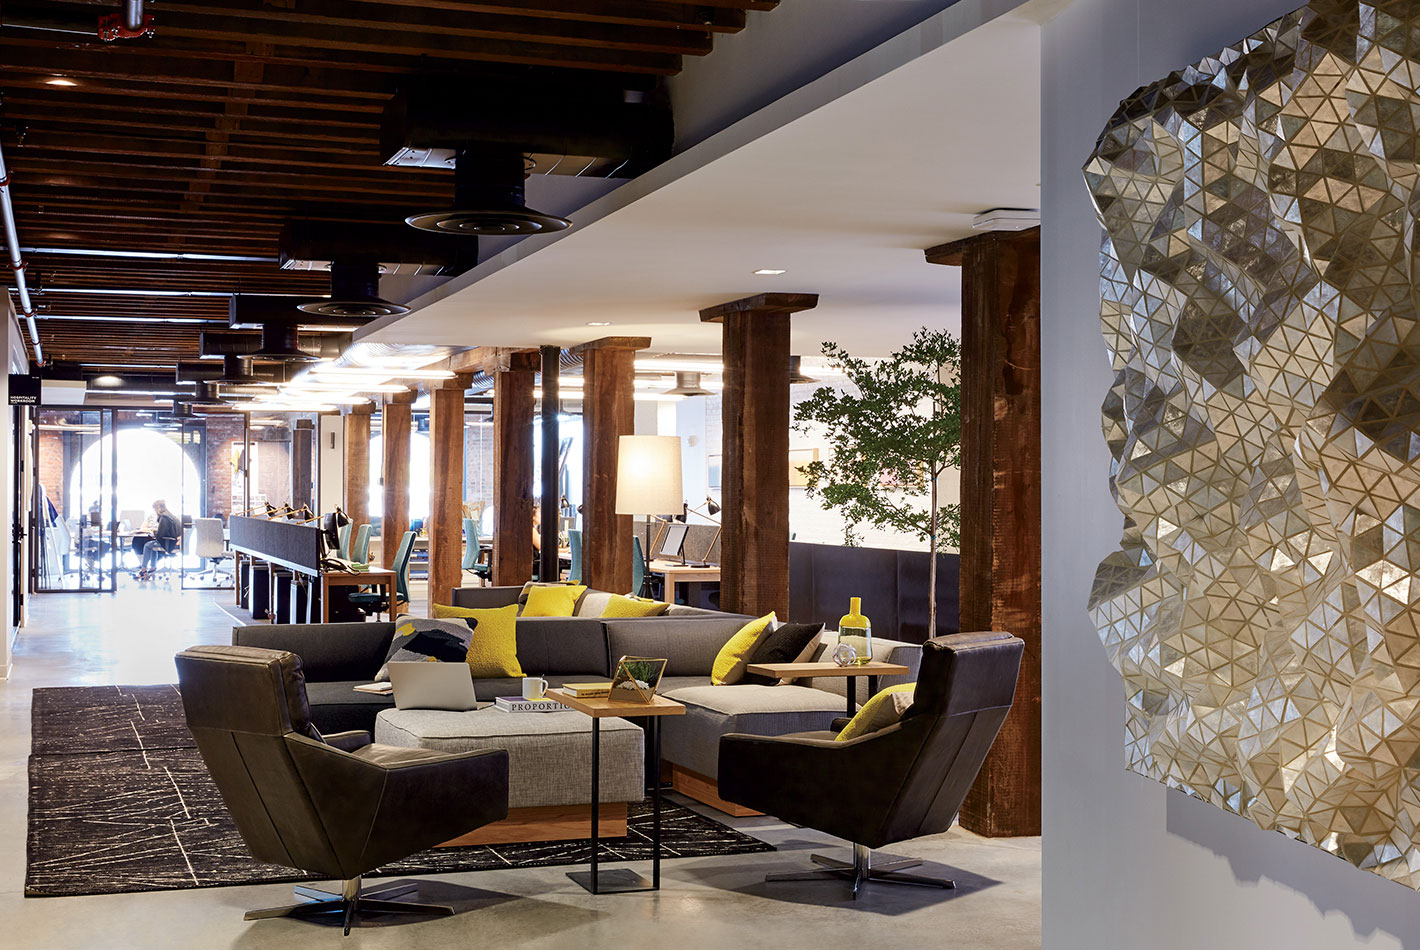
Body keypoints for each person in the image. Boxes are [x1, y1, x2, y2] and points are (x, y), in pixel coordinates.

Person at [137, 500, 180, 579]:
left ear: (157, 508)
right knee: (152, 545)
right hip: (174, 542)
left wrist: (154, 533)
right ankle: (153, 567)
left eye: (154, 509)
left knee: (147, 545)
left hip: (169, 543)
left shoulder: (164, 517)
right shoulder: (171, 516)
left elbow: (161, 534)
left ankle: (143, 569)